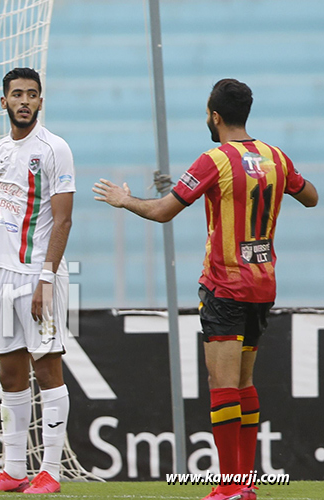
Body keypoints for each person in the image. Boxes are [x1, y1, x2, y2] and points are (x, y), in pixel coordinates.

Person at [93, 78, 317, 500]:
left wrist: (126, 202)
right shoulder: (275, 157)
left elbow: (162, 212)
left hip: (225, 286)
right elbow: (312, 197)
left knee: (222, 385)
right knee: (244, 384)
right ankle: (244, 486)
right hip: (263, 284)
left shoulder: (213, 159)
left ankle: (229, 485)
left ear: (214, 116)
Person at [0, 68, 75, 494]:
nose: (25, 101)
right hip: (3, 277)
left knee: (47, 368)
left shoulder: (55, 149)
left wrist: (46, 278)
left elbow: (64, 218)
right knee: (11, 374)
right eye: (17, 95)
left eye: (32, 95)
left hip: (40, 275)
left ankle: (50, 471)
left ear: (40, 102)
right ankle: (15, 472)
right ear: (4, 102)